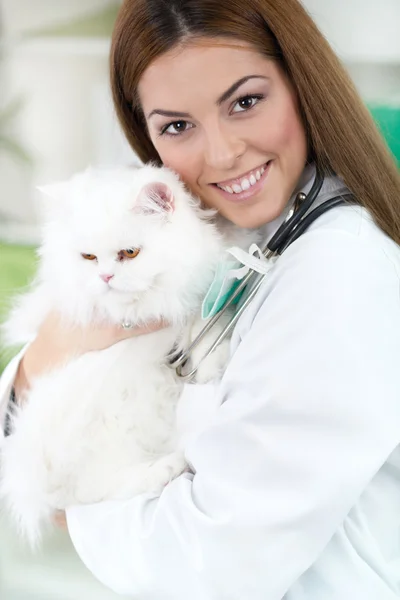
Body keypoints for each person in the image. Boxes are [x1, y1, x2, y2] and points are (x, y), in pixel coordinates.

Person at [1, 0, 400, 597]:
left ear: (302, 83)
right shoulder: (234, 240)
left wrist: (73, 510)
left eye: (245, 101)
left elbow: (213, 563)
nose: (221, 154)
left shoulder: (339, 275)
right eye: (177, 126)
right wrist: (52, 349)